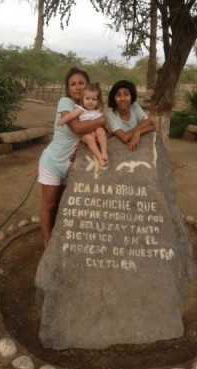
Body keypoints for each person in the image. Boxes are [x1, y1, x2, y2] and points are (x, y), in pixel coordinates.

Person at [39, 67, 107, 246]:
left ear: (88, 87)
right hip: (53, 162)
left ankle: (57, 237)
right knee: (49, 204)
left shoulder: (90, 108)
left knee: (61, 204)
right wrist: (101, 120)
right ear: (68, 89)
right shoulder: (66, 103)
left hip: (70, 167)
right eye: (73, 84)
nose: (77, 87)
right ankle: (48, 242)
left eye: (81, 83)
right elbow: (76, 128)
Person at [57, 82, 109, 167]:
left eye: (93, 99)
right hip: (85, 133)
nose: (90, 101)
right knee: (89, 138)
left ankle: (104, 152)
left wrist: (107, 130)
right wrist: (63, 120)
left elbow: (104, 122)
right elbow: (71, 115)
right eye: (87, 99)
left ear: (97, 101)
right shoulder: (80, 109)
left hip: (96, 132)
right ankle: (99, 157)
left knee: (100, 130)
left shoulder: (97, 111)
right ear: (82, 99)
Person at [105, 80, 155, 151]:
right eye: (118, 95)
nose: (122, 99)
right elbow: (124, 138)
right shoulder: (110, 115)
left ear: (131, 96)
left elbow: (152, 125)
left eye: (126, 94)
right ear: (114, 98)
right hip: (121, 150)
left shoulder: (134, 106)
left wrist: (138, 133)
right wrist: (141, 127)